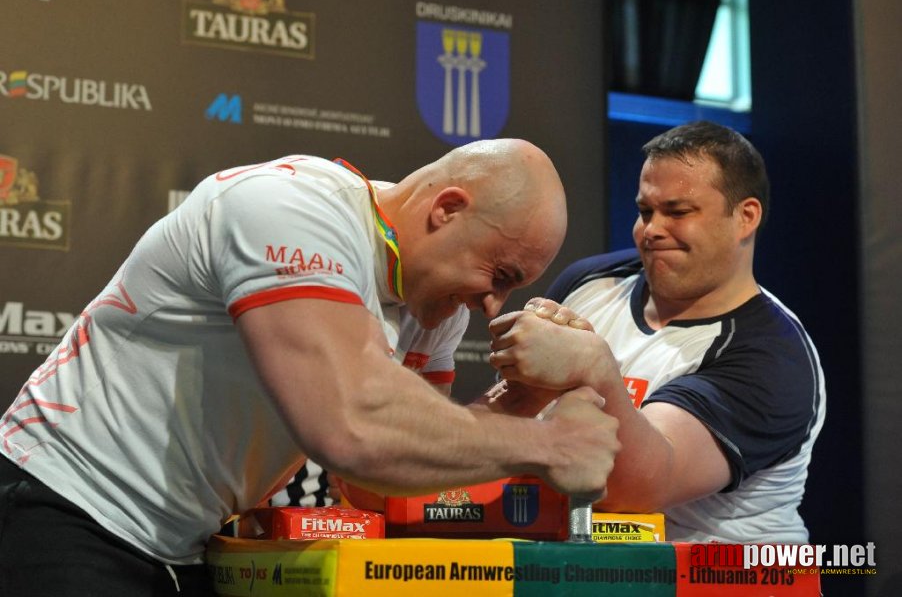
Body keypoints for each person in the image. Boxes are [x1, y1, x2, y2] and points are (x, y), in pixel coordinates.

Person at [0, 139, 621, 597]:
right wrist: (548, 445)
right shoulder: (291, 208)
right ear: (447, 208)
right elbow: (350, 426)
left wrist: (519, 401)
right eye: (500, 274)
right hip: (61, 504)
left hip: (182, 547)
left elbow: (375, 484)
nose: (493, 305)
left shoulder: (435, 308)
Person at [486, 121, 826, 543]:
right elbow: (506, 424)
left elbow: (638, 489)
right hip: (585, 570)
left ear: (745, 216)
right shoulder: (591, 282)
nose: (652, 230)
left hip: (723, 583)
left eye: (678, 212)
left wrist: (592, 366)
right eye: (646, 211)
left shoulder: (773, 356)